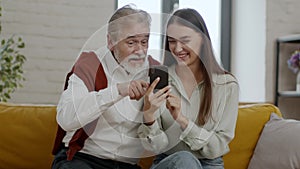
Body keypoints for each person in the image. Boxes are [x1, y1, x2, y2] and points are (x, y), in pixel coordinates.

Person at [51, 5, 161, 169]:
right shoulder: (90, 65)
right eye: (131, 42)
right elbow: (66, 119)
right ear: (111, 42)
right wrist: (117, 90)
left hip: (127, 165)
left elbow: (159, 146)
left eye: (144, 42)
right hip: (84, 159)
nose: (140, 50)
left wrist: (150, 117)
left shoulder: (155, 72)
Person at [138, 8, 239, 169]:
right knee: (185, 160)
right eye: (172, 41)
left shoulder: (226, 85)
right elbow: (155, 148)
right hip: (168, 163)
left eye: (185, 40)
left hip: (211, 164)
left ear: (203, 39)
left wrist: (182, 120)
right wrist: (149, 116)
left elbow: (218, 146)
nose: (177, 49)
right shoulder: (159, 81)